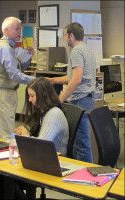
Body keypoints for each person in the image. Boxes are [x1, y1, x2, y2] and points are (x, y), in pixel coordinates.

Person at [47, 22, 96, 163]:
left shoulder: (76, 51)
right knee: (77, 142)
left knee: (81, 144)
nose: (65, 38)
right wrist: (54, 80)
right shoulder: (86, 49)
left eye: (66, 35)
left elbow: (76, 80)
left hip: (79, 101)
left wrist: (60, 99)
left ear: (72, 36)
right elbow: (72, 76)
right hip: (86, 99)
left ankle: (86, 179)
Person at [0, 16, 35, 139]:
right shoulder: (5, 48)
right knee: (6, 135)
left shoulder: (8, 47)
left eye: (20, 29)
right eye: (17, 29)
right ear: (6, 30)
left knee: (0, 132)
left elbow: (18, 68)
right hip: (3, 94)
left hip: (4, 94)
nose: (19, 32)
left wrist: (28, 56)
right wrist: (35, 80)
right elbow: (14, 74)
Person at [14, 77, 69, 156]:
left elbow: (41, 145)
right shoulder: (45, 112)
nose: (29, 100)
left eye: (32, 96)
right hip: (46, 158)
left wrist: (26, 137)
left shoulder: (54, 114)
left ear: (43, 94)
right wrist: (26, 136)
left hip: (56, 161)